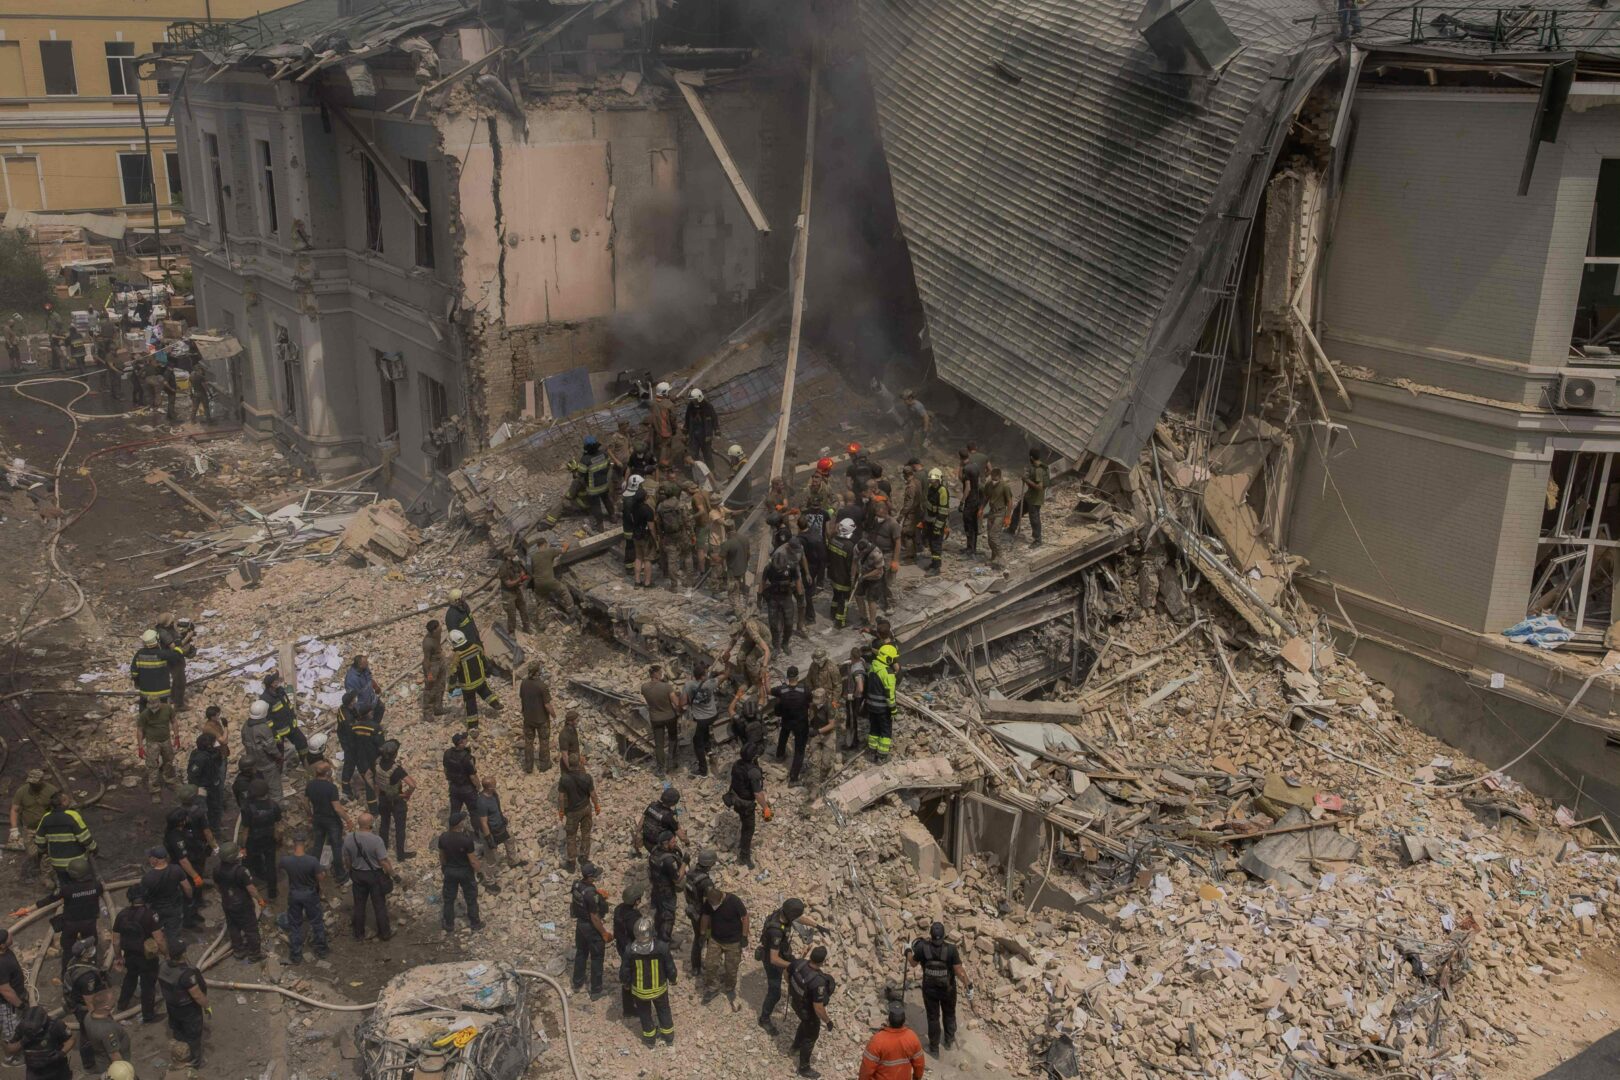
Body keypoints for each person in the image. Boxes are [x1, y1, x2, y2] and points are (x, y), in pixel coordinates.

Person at [908, 921, 972, 1055]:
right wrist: (968, 986)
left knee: (933, 1018)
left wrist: (907, 951)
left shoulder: (922, 948)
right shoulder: (951, 949)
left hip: (930, 990)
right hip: (948, 990)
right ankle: (949, 1041)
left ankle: (934, 1048)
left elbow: (913, 963)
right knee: (949, 1014)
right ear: (944, 936)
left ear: (930, 935)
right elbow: (959, 971)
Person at [38, 856, 104, 979]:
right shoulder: (97, 886)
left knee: (68, 950)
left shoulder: (67, 889)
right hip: (89, 923)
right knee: (90, 947)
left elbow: (52, 898)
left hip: (71, 924)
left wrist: (36, 905)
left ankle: (66, 975)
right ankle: (93, 973)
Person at [620, 916, 676, 1048]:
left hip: (640, 992)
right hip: (659, 990)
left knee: (645, 1014)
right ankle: (668, 1037)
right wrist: (673, 979)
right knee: (664, 1010)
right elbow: (670, 967)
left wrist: (626, 983)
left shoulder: (630, 950)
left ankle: (650, 1040)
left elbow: (625, 971)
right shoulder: (661, 947)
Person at [111, 888, 164, 1023]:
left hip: (129, 955)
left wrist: (118, 957)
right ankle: (148, 1015)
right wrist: (167, 954)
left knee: (130, 978)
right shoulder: (150, 915)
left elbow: (116, 941)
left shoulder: (122, 915)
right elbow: (159, 940)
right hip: (147, 957)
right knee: (148, 986)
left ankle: (122, 1004)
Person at [342, 813, 394, 942]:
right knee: (379, 905)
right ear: (370, 824)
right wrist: (393, 874)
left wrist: (351, 871)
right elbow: (383, 861)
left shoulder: (349, 838)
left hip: (357, 874)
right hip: (374, 875)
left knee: (359, 905)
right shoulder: (376, 840)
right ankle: (385, 933)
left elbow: (347, 859)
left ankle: (359, 934)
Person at [278, 832, 329, 963]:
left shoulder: (286, 860)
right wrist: (323, 871)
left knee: (295, 925)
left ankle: (296, 955)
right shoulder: (312, 861)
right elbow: (321, 878)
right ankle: (322, 950)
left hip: (294, 894)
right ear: (305, 844)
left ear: (294, 844)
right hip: (310, 894)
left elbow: (280, 870)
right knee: (317, 922)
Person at [156, 942, 208, 1067]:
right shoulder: (187, 974)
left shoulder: (162, 966)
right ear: (183, 954)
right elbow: (197, 995)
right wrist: (207, 1006)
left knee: (178, 1032)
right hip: (188, 1010)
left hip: (172, 1007)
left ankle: (179, 1057)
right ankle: (195, 1062)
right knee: (193, 1036)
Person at [758, 898, 805, 1035]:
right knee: (775, 993)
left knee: (798, 972)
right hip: (772, 961)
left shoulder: (783, 912)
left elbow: (799, 918)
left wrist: (817, 925)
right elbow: (774, 959)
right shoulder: (776, 931)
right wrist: (793, 965)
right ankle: (764, 1019)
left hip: (783, 952)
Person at [788, 945, 835, 1079]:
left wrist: (794, 991)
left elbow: (786, 974)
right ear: (822, 962)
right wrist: (828, 1021)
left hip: (796, 1004)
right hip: (808, 1011)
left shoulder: (798, 963)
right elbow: (818, 1007)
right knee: (811, 1036)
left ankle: (795, 1047)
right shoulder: (818, 981)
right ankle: (804, 1068)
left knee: (804, 1024)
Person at [213, 842, 266, 960]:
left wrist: (226, 894)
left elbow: (217, 886)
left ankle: (239, 951)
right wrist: (260, 900)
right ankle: (255, 954)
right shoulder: (241, 871)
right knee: (251, 929)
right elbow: (251, 889)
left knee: (233, 927)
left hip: (227, 902)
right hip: (242, 905)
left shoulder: (216, 869)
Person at [62, 935, 107, 1071]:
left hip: (78, 1003)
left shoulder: (75, 962)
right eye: (90, 948)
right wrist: (96, 1018)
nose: (93, 948)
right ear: (85, 954)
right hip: (84, 1009)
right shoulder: (86, 977)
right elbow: (89, 1001)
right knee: (87, 1033)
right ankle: (89, 1064)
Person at [304, 760, 352, 887]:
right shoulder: (331, 788)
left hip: (317, 819)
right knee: (336, 847)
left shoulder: (310, 785)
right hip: (332, 821)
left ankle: (313, 872)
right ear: (328, 773)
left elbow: (305, 803)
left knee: (318, 845)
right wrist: (348, 820)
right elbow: (337, 808)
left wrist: (310, 815)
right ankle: (341, 876)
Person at [34, 791, 96, 888]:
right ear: (63, 802)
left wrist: (42, 852)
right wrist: (94, 848)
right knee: (82, 885)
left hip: (57, 863)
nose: (70, 800)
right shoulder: (73, 815)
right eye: (67, 799)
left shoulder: (46, 817)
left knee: (65, 886)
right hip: (77, 863)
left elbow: (39, 841)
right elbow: (85, 838)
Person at [569, 861, 612, 999]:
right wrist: (604, 933)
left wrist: (598, 896)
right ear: (589, 877)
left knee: (581, 953)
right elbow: (594, 917)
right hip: (591, 927)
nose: (597, 877)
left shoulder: (577, 884)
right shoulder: (590, 894)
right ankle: (596, 991)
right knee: (597, 957)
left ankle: (577, 983)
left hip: (580, 925)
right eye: (594, 875)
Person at [9, 769, 58, 888]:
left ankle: (46, 876)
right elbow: (15, 810)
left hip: (46, 828)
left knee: (47, 852)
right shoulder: (22, 791)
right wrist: (14, 830)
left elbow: (58, 808)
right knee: (32, 853)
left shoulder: (51, 791)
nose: (32, 785)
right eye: (30, 782)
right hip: (29, 828)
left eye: (35, 783)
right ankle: (36, 868)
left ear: (42, 781)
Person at [235, 778, 282, 900]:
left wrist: (243, 847)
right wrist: (278, 839)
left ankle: (247, 889)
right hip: (269, 838)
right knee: (271, 866)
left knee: (247, 864)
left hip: (253, 840)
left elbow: (245, 830)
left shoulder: (247, 808)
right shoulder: (274, 805)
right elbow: (277, 826)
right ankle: (272, 893)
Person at [436, 812, 482, 932]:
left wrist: (444, 868)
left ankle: (449, 924)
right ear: (459, 824)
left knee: (449, 898)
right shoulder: (466, 840)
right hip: (465, 872)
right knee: (471, 898)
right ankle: (475, 923)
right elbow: (473, 861)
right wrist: (479, 872)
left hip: (450, 871)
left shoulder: (443, 837)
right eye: (463, 820)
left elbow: (442, 856)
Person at [140, 847, 191, 955]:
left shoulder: (148, 878)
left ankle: (157, 951)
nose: (149, 859)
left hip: (156, 909)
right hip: (174, 908)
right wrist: (189, 899)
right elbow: (187, 887)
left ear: (155, 859)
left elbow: (143, 897)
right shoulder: (176, 869)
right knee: (173, 933)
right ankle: (175, 955)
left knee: (155, 931)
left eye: (150, 857)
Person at [860, 1000, 927, 1080]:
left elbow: (866, 1069)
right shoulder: (912, 1037)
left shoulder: (877, 1040)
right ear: (904, 1021)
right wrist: (916, 1078)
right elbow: (919, 1065)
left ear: (888, 1021)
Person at [448, 629, 503, 726]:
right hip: (480, 680)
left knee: (470, 704)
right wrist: (487, 670)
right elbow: (484, 660)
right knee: (485, 692)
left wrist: (451, 687)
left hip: (468, 686)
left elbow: (453, 673)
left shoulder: (457, 656)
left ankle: (473, 727)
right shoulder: (476, 647)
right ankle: (495, 703)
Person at [726, 742, 768, 868]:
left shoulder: (737, 764)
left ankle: (742, 845)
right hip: (746, 804)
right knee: (748, 830)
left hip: (735, 798)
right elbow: (758, 794)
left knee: (743, 821)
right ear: (754, 757)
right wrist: (766, 808)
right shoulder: (753, 772)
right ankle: (744, 857)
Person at [6, 1004, 74, 1080]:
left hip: (57, 1069)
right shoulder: (22, 1027)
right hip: (34, 1072)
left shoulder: (56, 1025)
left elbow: (70, 1040)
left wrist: (60, 1054)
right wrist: (23, 1041)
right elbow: (10, 1049)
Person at [640, 664, 684, 776]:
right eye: (661, 672)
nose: (662, 674)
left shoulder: (644, 687)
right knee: (672, 738)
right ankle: (671, 763)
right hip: (670, 717)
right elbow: (676, 703)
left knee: (659, 744)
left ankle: (660, 769)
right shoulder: (667, 687)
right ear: (656, 674)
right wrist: (680, 710)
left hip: (655, 718)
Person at [557, 752, 599, 873]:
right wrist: (596, 806)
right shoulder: (587, 777)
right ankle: (584, 858)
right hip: (586, 808)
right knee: (586, 833)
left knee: (571, 836)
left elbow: (561, 798)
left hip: (572, 812)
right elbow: (593, 794)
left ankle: (571, 863)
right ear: (579, 763)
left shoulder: (564, 779)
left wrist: (561, 811)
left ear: (569, 764)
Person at [374, 740, 415, 861]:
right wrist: (407, 795)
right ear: (395, 754)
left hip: (383, 798)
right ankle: (400, 855)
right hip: (397, 800)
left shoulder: (377, 764)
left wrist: (377, 795)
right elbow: (412, 785)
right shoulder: (397, 769)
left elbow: (372, 779)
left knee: (384, 824)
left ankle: (383, 850)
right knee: (400, 828)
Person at [133, 696, 178, 802]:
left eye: (155, 706)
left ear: (159, 702)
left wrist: (177, 737)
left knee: (169, 761)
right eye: (151, 707)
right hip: (152, 742)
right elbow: (140, 730)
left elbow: (174, 721)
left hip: (166, 740)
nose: (153, 709)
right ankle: (154, 791)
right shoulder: (144, 714)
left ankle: (170, 781)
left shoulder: (167, 708)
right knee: (152, 766)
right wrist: (140, 747)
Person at [772, 667, 813, 784]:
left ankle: (779, 756)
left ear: (788, 677)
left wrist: (766, 678)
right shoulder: (805, 689)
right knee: (799, 750)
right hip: (801, 724)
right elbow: (810, 702)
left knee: (783, 735)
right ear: (797, 677)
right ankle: (793, 778)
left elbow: (768, 690)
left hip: (787, 721)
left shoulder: (781, 690)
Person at [514, 663, 555, 775]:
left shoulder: (524, 683)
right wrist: (554, 715)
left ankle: (528, 766)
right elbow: (547, 705)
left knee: (528, 742)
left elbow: (522, 697)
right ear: (537, 672)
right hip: (542, 720)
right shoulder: (542, 686)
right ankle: (544, 765)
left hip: (528, 719)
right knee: (544, 742)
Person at [79, 983, 130, 1073]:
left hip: (101, 1059)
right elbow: (114, 1055)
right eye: (113, 1000)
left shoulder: (88, 1016)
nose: (115, 1000)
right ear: (107, 1007)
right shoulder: (106, 1030)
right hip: (111, 1065)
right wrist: (125, 1071)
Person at [474, 777, 523, 870]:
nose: (496, 786)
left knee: (509, 839)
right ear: (489, 788)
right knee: (490, 854)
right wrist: (488, 839)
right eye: (494, 785)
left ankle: (513, 861)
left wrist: (502, 818)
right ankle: (491, 873)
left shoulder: (494, 794)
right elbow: (483, 822)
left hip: (499, 825)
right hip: (489, 830)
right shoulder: (482, 802)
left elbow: (497, 807)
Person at [682, 849, 718, 975]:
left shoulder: (691, 872)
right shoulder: (706, 882)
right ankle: (710, 967)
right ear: (709, 864)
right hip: (704, 917)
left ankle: (695, 968)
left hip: (693, 912)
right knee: (709, 939)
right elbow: (712, 901)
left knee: (698, 938)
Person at [646, 830, 685, 946]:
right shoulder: (668, 860)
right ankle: (665, 942)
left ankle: (656, 935)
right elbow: (677, 879)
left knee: (658, 913)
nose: (675, 843)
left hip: (656, 888)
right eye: (673, 842)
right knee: (668, 916)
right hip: (667, 892)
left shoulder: (654, 852)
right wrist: (684, 863)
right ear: (665, 843)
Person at [528, 537, 579, 622]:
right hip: (549, 581)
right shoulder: (550, 551)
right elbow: (563, 551)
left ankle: (540, 618)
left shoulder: (533, 556)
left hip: (538, 583)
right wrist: (565, 545)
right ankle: (571, 611)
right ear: (545, 544)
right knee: (564, 590)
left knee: (542, 599)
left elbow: (533, 570)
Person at [240, 699, 282, 801]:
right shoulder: (263, 728)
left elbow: (244, 742)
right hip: (266, 762)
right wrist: (279, 756)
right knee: (274, 786)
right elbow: (271, 747)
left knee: (259, 785)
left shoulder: (246, 725)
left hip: (254, 762)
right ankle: (276, 804)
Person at [185, 731, 227, 834]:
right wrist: (198, 790)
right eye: (213, 743)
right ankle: (202, 833)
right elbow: (193, 775)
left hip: (212, 786)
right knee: (201, 811)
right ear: (208, 746)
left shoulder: (210, 754)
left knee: (215, 809)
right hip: (203, 789)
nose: (215, 744)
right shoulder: (199, 758)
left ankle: (215, 830)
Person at [611, 884, 644, 1015]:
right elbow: (640, 936)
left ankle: (629, 1006)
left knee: (628, 974)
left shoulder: (619, 908)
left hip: (622, 945)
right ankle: (629, 1008)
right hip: (631, 950)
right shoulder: (634, 917)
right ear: (636, 901)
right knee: (631, 977)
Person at [866, 643, 899, 763]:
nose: (894, 661)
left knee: (874, 730)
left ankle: (871, 753)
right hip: (883, 708)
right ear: (888, 658)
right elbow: (890, 695)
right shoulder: (888, 673)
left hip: (871, 706)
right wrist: (894, 710)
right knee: (885, 732)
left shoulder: (873, 667)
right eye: (893, 659)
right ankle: (882, 757)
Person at [154, 614, 194, 711]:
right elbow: (174, 647)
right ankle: (179, 705)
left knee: (177, 679)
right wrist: (187, 637)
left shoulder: (166, 629)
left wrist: (182, 634)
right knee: (180, 681)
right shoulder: (163, 633)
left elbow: (175, 637)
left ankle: (173, 697)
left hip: (174, 657)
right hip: (173, 659)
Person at [1010, 448, 1048, 547]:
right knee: (1017, 511)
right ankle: (1011, 530)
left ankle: (1038, 540)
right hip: (1029, 496)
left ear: (1031, 457)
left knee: (1034, 519)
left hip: (1035, 499)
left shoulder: (1039, 470)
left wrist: (1026, 480)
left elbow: (1039, 487)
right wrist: (1027, 475)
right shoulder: (1037, 466)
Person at [826, 518, 856, 628]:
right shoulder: (850, 546)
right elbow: (850, 565)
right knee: (844, 600)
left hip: (833, 575)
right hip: (843, 579)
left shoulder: (833, 539)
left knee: (836, 595)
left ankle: (832, 613)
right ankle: (840, 622)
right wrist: (853, 578)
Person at [443, 730, 479, 821]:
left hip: (454, 787)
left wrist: (450, 780)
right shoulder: (467, 758)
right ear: (461, 742)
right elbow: (473, 776)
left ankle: (453, 828)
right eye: (465, 739)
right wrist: (478, 787)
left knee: (454, 812)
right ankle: (478, 829)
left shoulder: (447, 753)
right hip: (467, 789)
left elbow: (445, 769)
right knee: (474, 812)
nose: (467, 740)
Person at [497, 547, 533, 634]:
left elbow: (521, 571)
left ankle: (526, 628)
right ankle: (511, 631)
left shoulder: (515, 563)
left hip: (516, 590)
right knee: (511, 613)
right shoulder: (503, 568)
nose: (516, 556)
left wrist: (522, 574)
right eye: (514, 555)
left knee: (523, 609)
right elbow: (508, 584)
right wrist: (520, 579)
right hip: (508, 593)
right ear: (508, 557)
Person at [983, 465, 1013, 568]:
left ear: (999, 477)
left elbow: (1009, 502)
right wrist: (981, 509)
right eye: (992, 479)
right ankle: (993, 558)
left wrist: (1008, 517)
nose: (993, 481)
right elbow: (986, 497)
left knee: (993, 536)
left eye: (995, 479)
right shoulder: (988, 485)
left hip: (1000, 513)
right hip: (991, 512)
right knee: (989, 538)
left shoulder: (1005, 486)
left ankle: (1001, 557)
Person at [683, 386, 720, 468]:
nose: (693, 402)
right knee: (693, 454)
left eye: (695, 400)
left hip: (705, 436)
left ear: (699, 398)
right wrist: (685, 431)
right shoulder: (690, 406)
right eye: (693, 400)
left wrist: (717, 431)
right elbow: (687, 418)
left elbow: (714, 418)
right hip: (694, 435)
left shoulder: (708, 406)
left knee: (707, 455)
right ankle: (695, 471)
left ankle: (712, 471)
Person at [923, 468, 950, 576]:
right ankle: (934, 562)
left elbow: (943, 511)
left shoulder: (942, 491)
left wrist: (938, 527)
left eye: (933, 479)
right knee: (931, 542)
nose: (931, 481)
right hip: (930, 519)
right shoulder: (931, 488)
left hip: (938, 520)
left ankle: (936, 567)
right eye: (930, 479)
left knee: (936, 544)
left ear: (938, 480)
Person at [421, 619, 451, 718]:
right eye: (439, 627)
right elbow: (426, 660)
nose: (441, 627)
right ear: (434, 630)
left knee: (441, 685)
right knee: (430, 689)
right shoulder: (427, 643)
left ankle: (438, 708)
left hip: (440, 661)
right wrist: (428, 673)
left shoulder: (437, 634)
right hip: (432, 665)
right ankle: (427, 712)